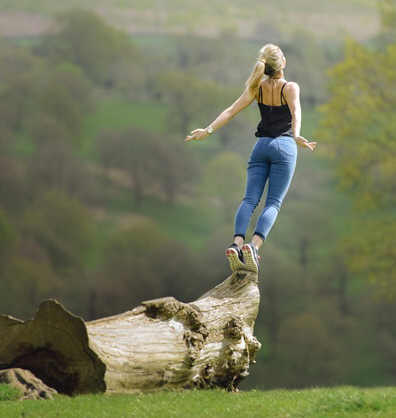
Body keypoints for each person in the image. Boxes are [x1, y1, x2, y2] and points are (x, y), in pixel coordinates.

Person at [184, 43, 317, 273]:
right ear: (282, 63)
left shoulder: (258, 88)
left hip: (261, 147)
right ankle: (253, 247)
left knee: (249, 200)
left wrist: (207, 131)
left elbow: (230, 110)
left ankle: (236, 244)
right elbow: (296, 112)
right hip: (284, 147)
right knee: (273, 202)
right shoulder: (291, 87)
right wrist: (296, 136)